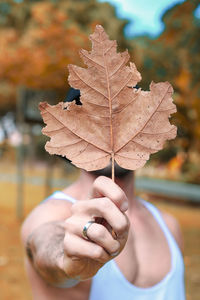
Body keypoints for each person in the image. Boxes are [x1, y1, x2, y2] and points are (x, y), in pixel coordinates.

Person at [21, 89, 185, 300]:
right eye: (95, 123)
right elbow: (44, 247)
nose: (111, 132)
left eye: (124, 120)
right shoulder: (51, 214)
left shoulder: (169, 226)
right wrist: (67, 260)